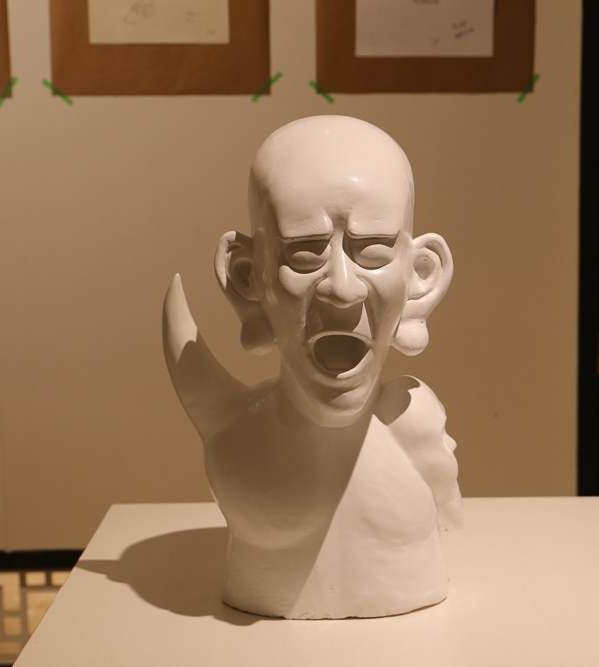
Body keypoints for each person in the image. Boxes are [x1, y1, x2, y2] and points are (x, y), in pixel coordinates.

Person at [163, 116, 461, 619]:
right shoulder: (237, 432)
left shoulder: (416, 428)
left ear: (421, 276)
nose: (341, 287)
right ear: (246, 277)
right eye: (304, 255)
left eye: (373, 252)